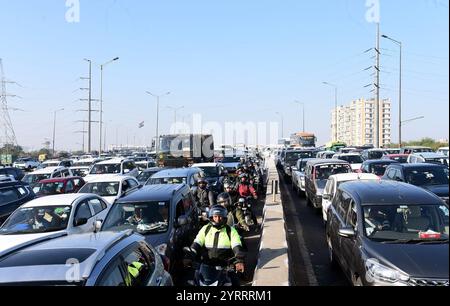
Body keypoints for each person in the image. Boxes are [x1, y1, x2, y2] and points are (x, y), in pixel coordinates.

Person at [185, 205, 246, 286]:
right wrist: (189, 255)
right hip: (205, 266)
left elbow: (237, 245)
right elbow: (197, 243)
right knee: (192, 281)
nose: (217, 219)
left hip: (225, 267)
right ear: (211, 217)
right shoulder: (205, 229)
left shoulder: (231, 231)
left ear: (224, 218)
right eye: (215, 216)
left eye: (220, 217)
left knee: (235, 282)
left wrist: (239, 260)